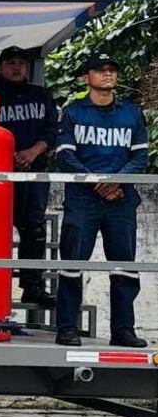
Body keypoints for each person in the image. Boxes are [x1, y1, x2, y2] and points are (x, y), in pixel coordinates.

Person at [54, 51, 150, 348]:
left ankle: (123, 330)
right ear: (86, 77)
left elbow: (141, 156)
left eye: (112, 69)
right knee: (72, 264)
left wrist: (115, 181)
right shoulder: (73, 113)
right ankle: (67, 328)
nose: (108, 74)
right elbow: (65, 156)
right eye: (100, 70)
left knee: (124, 266)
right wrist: (98, 183)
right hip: (83, 199)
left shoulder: (131, 113)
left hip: (121, 200)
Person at [0, 45, 59, 308]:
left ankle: (32, 287)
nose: (17, 67)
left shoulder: (42, 95)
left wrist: (33, 152)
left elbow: (53, 131)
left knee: (33, 230)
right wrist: (6, 156)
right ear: (1, 66)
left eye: (21, 62)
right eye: (11, 62)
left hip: (33, 173)